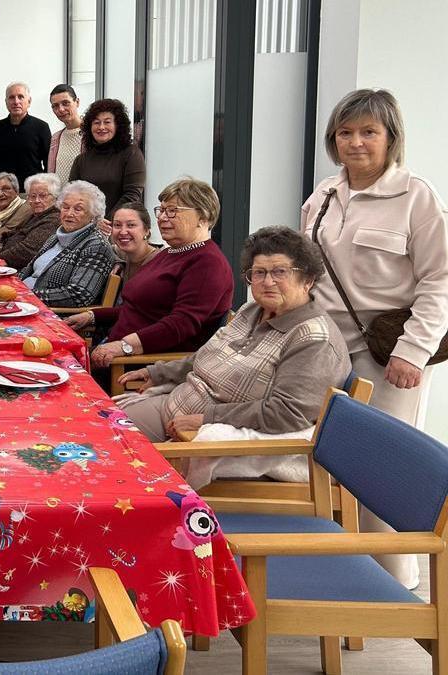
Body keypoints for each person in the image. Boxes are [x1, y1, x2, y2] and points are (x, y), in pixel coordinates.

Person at [300, 88, 448, 589]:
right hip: (327, 346)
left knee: (381, 471)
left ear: (391, 138)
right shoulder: (323, 195)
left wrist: (413, 351)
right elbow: (310, 272)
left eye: (369, 132)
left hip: (389, 352)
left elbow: (439, 281)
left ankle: (396, 582)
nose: (356, 142)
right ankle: (353, 569)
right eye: (346, 132)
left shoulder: (417, 197)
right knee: (335, 463)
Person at [118, 226, 350, 461]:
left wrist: (207, 417)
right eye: (259, 273)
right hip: (177, 404)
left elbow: (287, 413)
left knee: (107, 453)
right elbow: (208, 355)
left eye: (280, 272)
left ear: (308, 280)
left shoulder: (313, 339)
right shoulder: (253, 310)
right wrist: (158, 373)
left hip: (211, 443)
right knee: (97, 427)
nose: (268, 282)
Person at [74, 179, 234, 369]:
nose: (162, 217)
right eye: (162, 210)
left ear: (203, 217)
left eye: (173, 211)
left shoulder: (207, 262)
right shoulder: (170, 252)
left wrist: (123, 346)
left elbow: (182, 324)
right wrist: (92, 316)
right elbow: (140, 309)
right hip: (113, 351)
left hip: (140, 367)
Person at [19, 180, 118, 307]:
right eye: (65, 207)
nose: (69, 213)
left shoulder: (96, 246)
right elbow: (28, 270)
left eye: (78, 209)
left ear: (94, 215)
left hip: (47, 312)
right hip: (23, 301)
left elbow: (79, 295)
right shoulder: (56, 236)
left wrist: (26, 295)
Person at [0, 82, 54, 214]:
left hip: (31, 196)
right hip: (2, 196)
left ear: (29, 101)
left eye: (21, 97)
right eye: (11, 97)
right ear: (6, 102)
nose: (16, 101)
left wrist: (46, 196)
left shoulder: (41, 127)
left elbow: (48, 165)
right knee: (0, 233)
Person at [69, 98, 145, 223]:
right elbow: (72, 194)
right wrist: (90, 222)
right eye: (96, 122)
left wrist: (107, 221)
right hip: (85, 225)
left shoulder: (131, 154)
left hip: (120, 225)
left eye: (107, 122)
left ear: (117, 125)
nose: (101, 127)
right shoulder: (81, 160)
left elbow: (132, 195)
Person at [0, 173, 61, 270]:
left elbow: (27, 251)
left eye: (43, 196)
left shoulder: (53, 219)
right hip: (8, 264)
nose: (37, 200)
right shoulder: (36, 215)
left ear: (55, 197)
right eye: (32, 196)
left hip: (20, 272)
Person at [0, 171, 30, 248]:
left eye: (6, 189)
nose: (0, 194)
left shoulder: (25, 209)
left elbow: (3, 236)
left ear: (16, 191)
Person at [47, 84, 85, 182]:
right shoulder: (56, 138)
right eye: (55, 106)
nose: (61, 109)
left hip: (83, 196)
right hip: (59, 196)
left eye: (65, 103)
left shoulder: (92, 134)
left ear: (77, 102)